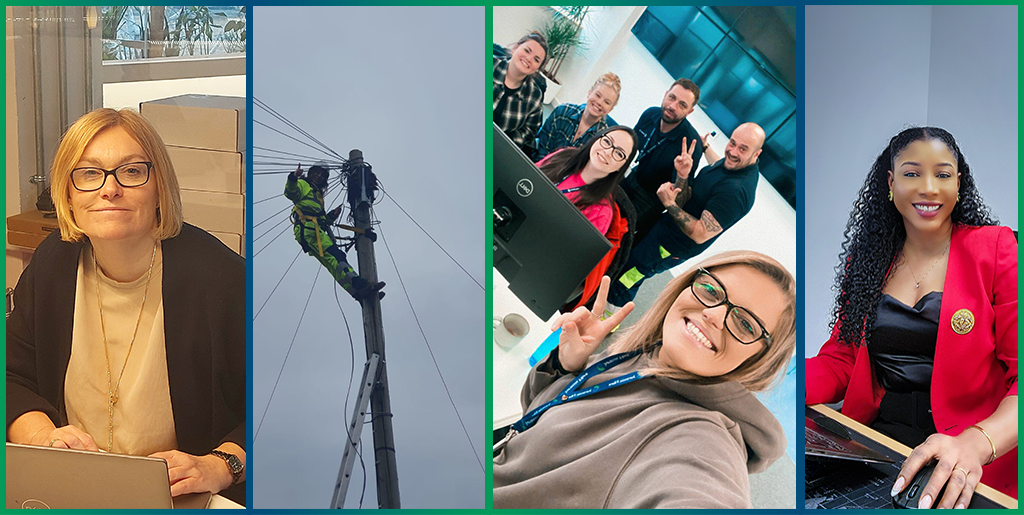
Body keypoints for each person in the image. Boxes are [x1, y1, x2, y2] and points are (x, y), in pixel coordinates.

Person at [6, 108, 247, 504]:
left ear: (159, 188)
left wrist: (220, 465)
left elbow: (279, 407)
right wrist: (42, 438)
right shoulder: (53, 264)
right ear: (67, 193)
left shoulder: (223, 280)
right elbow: (10, 377)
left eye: (131, 172)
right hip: (71, 488)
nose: (109, 189)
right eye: (88, 173)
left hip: (181, 500)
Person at [805, 127, 1018, 504]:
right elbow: (841, 359)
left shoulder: (996, 248)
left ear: (959, 182)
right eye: (912, 173)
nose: (929, 188)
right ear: (890, 182)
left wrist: (977, 443)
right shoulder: (869, 260)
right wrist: (779, 379)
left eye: (943, 174)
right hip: (879, 437)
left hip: (966, 452)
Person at [494, 251, 796, 508]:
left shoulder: (700, 439)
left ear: (760, 359)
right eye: (712, 291)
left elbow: (698, 487)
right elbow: (535, 424)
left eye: (745, 324)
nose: (714, 315)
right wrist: (565, 366)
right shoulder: (650, 357)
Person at [608, 123, 766, 308]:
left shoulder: (736, 192)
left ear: (756, 153)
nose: (732, 151)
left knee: (632, 273)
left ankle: (608, 316)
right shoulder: (732, 166)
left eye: (743, 149)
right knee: (630, 256)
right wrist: (701, 152)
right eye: (732, 143)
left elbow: (700, 233)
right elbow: (718, 165)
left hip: (673, 246)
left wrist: (669, 203)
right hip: (666, 228)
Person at [621, 78, 707, 244]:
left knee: (618, 234)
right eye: (672, 98)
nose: (672, 106)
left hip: (651, 199)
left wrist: (682, 175)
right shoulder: (650, 114)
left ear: (690, 112)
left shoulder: (690, 145)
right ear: (665, 94)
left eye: (682, 105)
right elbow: (629, 145)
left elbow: (679, 198)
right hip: (633, 176)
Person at [285, 164, 384, 302]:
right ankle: (358, 282)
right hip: (308, 229)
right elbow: (291, 193)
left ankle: (358, 294)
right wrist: (293, 178)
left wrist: (331, 216)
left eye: (322, 176)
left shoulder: (318, 195)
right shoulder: (302, 184)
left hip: (313, 230)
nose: (318, 176)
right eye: (317, 173)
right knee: (337, 256)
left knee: (332, 264)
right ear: (311, 173)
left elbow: (322, 221)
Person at [537, 126, 638, 234]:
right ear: (597, 138)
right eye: (607, 141)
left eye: (619, 153)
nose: (608, 152)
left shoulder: (601, 212)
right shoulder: (564, 155)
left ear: (622, 166)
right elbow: (527, 178)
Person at [535, 72, 622, 160]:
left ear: (610, 109)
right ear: (589, 93)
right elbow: (542, 147)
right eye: (598, 95)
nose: (599, 102)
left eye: (607, 102)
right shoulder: (562, 111)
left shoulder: (602, 140)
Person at [493, 32, 548, 156]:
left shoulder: (534, 96)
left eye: (536, 59)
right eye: (527, 50)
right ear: (515, 48)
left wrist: (500, 144)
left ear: (537, 68)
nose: (529, 59)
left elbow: (528, 132)